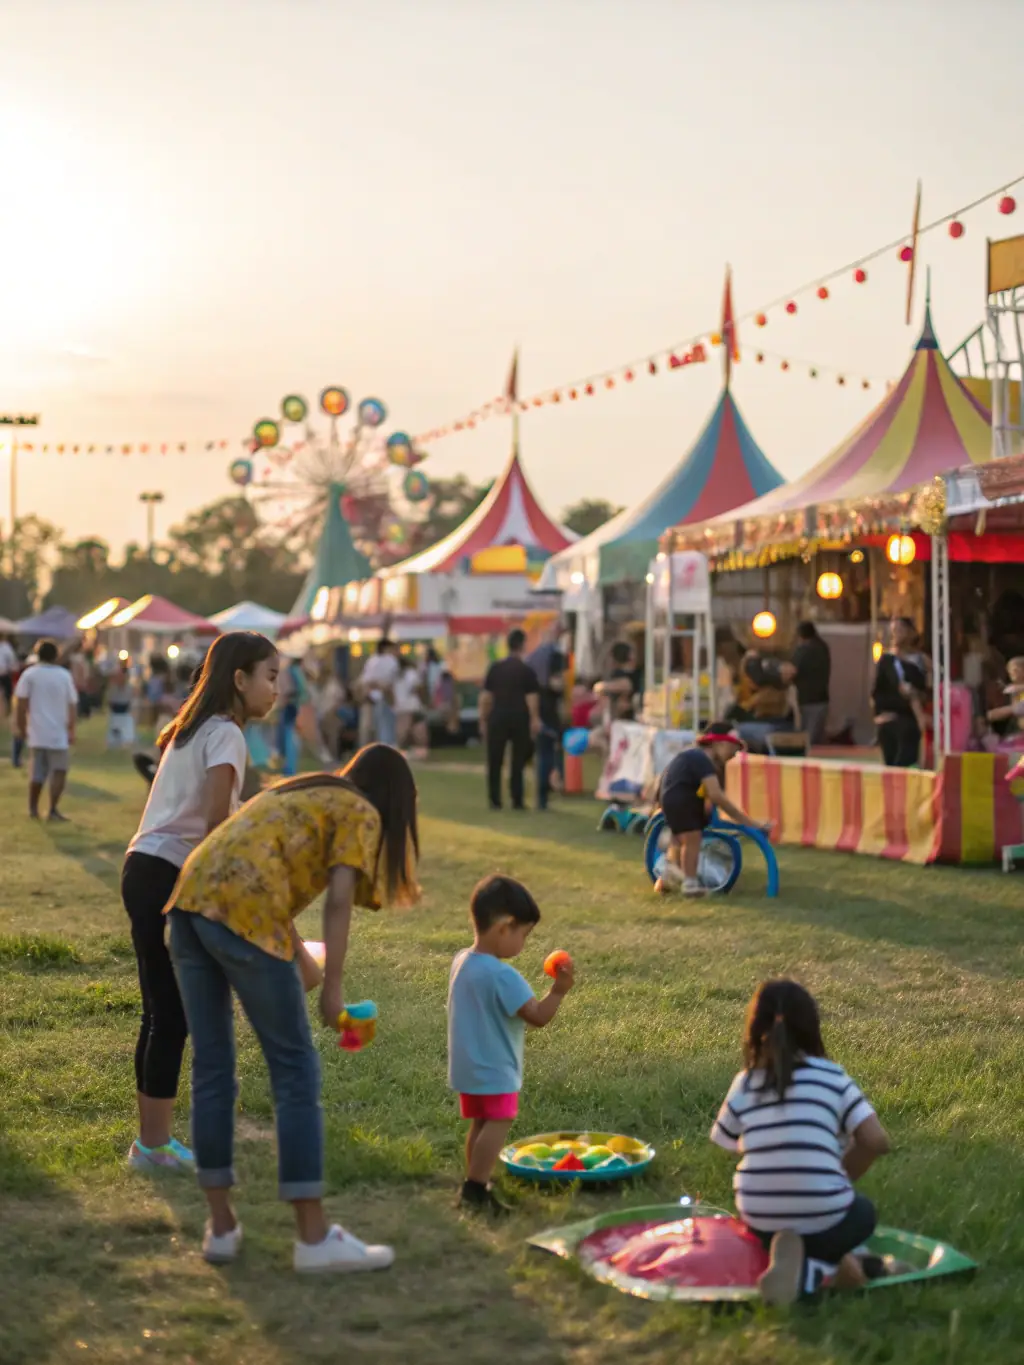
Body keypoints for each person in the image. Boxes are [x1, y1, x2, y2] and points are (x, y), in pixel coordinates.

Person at [167, 744, 420, 1271]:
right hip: (245, 911)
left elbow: (260, 869)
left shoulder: (304, 788)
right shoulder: (360, 809)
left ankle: (221, 1228)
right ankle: (312, 1239)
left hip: (190, 900)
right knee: (296, 1072)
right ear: (395, 797)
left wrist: (303, 963)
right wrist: (332, 989)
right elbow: (338, 899)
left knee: (212, 1068)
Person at [122, 632, 279, 1175]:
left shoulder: (193, 729)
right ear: (240, 679)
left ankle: (151, 1143)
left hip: (143, 867)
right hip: (168, 873)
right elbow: (214, 826)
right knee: (173, 1015)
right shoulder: (227, 734)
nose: (276, 689)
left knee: (161, 1011)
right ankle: (153, 1147)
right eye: (271, 676)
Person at [710, 979, 894, 1305]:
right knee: (862, 1213)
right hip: (825, 1211)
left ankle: (792, 1258)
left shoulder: (747, 1081)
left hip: (758, 1215)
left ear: (755, 1030)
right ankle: (815, 1270)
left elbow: (725, 1142)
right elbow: (876, 1140)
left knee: (785, 1225)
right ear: (812, 1028)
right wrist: (839, 1173)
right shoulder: (833, 1076)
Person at [447, 875, 574, 1215]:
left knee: (479, 1123)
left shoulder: (462, 960)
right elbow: (537, 1016)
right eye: (524, 934)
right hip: (495, 1067)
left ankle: (478, 1178)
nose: (523, 942)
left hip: (467, 1065)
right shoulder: (502, 975)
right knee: (499, 1122)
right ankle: (475, 1190)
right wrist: (558, 991)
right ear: (505, 927)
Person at [654, 722, 767, 897]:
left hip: (672, 800)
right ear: (719, 744)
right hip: (682, 801)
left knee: (680, 840)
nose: (734, 754)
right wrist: (747, 821)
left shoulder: (694, 757)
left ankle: (666, 878)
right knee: (692, 840)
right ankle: (690, 883)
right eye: (733, 748)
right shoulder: (702, 759)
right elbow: (716, 795)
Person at [13, 638, 79, 821]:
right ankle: (52, 809)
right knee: (59, 771)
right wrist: (72, 728)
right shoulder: (64, 675)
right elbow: (72, 705)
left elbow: (21, 703)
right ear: (56, 655)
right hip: (58, 732)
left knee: (37, 773)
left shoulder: (30, 674)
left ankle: (33, 808)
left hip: (37, 731)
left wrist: (21, 726)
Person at [479, 628, 540, 811]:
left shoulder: (495, 668)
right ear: (522, 645)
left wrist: (483, 719)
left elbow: (486, 697)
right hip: (519, 717)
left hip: (498, 716)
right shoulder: (526, 670)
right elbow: (532, 698)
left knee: (495, 759)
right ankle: (517, 799)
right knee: (517, 760)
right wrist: (534, 719)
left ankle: (495, 799)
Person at [872, 617, 930, 768]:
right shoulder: (886, 660)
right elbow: (877, 691)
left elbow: (927, 691)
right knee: (891, 764)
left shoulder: (919, 660)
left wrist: (915, 694)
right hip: (888, 720)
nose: (895, 634)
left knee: (905, 762)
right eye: (893, 630)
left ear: (910, 633)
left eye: (900, 629)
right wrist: (879, 714)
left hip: (909, 719)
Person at [532, 637, 566, 811]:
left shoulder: (535, 656)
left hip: (540, 708)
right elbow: (556, 683)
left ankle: (542, 796)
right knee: (549, 754)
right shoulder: (556, 656)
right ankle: (547, 793)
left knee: (543, 754)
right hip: (551, 711)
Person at [790, 622, 831, 747]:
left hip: (807, 699)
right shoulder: (823, 647)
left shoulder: (803, 650)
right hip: (821, 699)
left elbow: (793, 670)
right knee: (816, 739)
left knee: (807, 741)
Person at [359, 639, 400, 747]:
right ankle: (387, 748)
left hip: (370, 697)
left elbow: (366, 681)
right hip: (384, 697)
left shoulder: (371, 660)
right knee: (385, 726)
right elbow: (390, 683)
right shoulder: (391, 661)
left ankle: (366, 751)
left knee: (370, 728)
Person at [275, 653, 309, 776]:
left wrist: (283, 701)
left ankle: (289, 769)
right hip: (294, 707)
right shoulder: (297, 671)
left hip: (290, 707)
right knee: (290, 738)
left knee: (288, 738)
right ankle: (289, 768)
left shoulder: (290, 670)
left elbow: (291, 691)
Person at [394, 655, 429, 757]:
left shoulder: (396, 676)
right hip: (413, 706)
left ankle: (404, 751)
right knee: (417, 729)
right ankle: (420, 751)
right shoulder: (411, 673)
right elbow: (418, 688)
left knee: (404, 731)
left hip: (401, 706)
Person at [106, 666, 136, 749]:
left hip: (125, 715)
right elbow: (110, 701)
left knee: (127, 739)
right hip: (115, 714)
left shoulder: (130, 689)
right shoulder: (112, 689)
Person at [0, 632, 19, 717]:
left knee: (7, 694)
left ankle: (7, 712)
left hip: (4, 674)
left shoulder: (6, 647)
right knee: (6, 695)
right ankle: (6, 712)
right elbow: (11, 661)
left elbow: (11, 661)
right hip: (4, 673)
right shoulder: (6, 647)